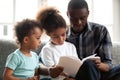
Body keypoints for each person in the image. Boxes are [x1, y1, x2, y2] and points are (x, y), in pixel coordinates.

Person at [66, 0, 120, 80]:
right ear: (67, 14)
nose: (79, 22)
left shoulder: (101, 30)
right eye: (73, 19)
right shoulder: (60, 35)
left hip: (100, 74)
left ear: (88, 13)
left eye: (82, 18)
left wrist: (99, 65)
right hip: (76, 76)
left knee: (90, 64)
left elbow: (108, 65)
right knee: (88, 64)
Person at [36, 7, 78, 80]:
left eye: (63, 34)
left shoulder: (71, 47)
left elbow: (77, 65)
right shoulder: (47, 50)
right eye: (55, 36)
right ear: (48, 34)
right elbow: (53, 73)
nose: (61, 39)